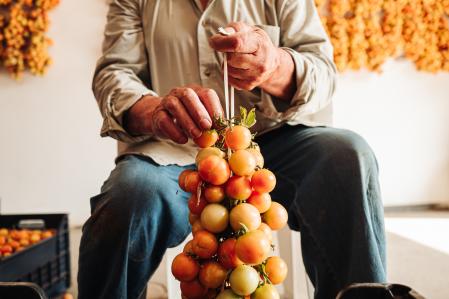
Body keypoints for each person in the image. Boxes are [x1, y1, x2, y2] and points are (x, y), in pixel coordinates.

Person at [78, 0, 386, 298]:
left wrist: (275, 66)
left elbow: (323, 71)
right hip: (174, 151)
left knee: (346, 157)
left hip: (274, 140)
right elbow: (114, 73)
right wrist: (154, 110)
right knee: (130, 194)